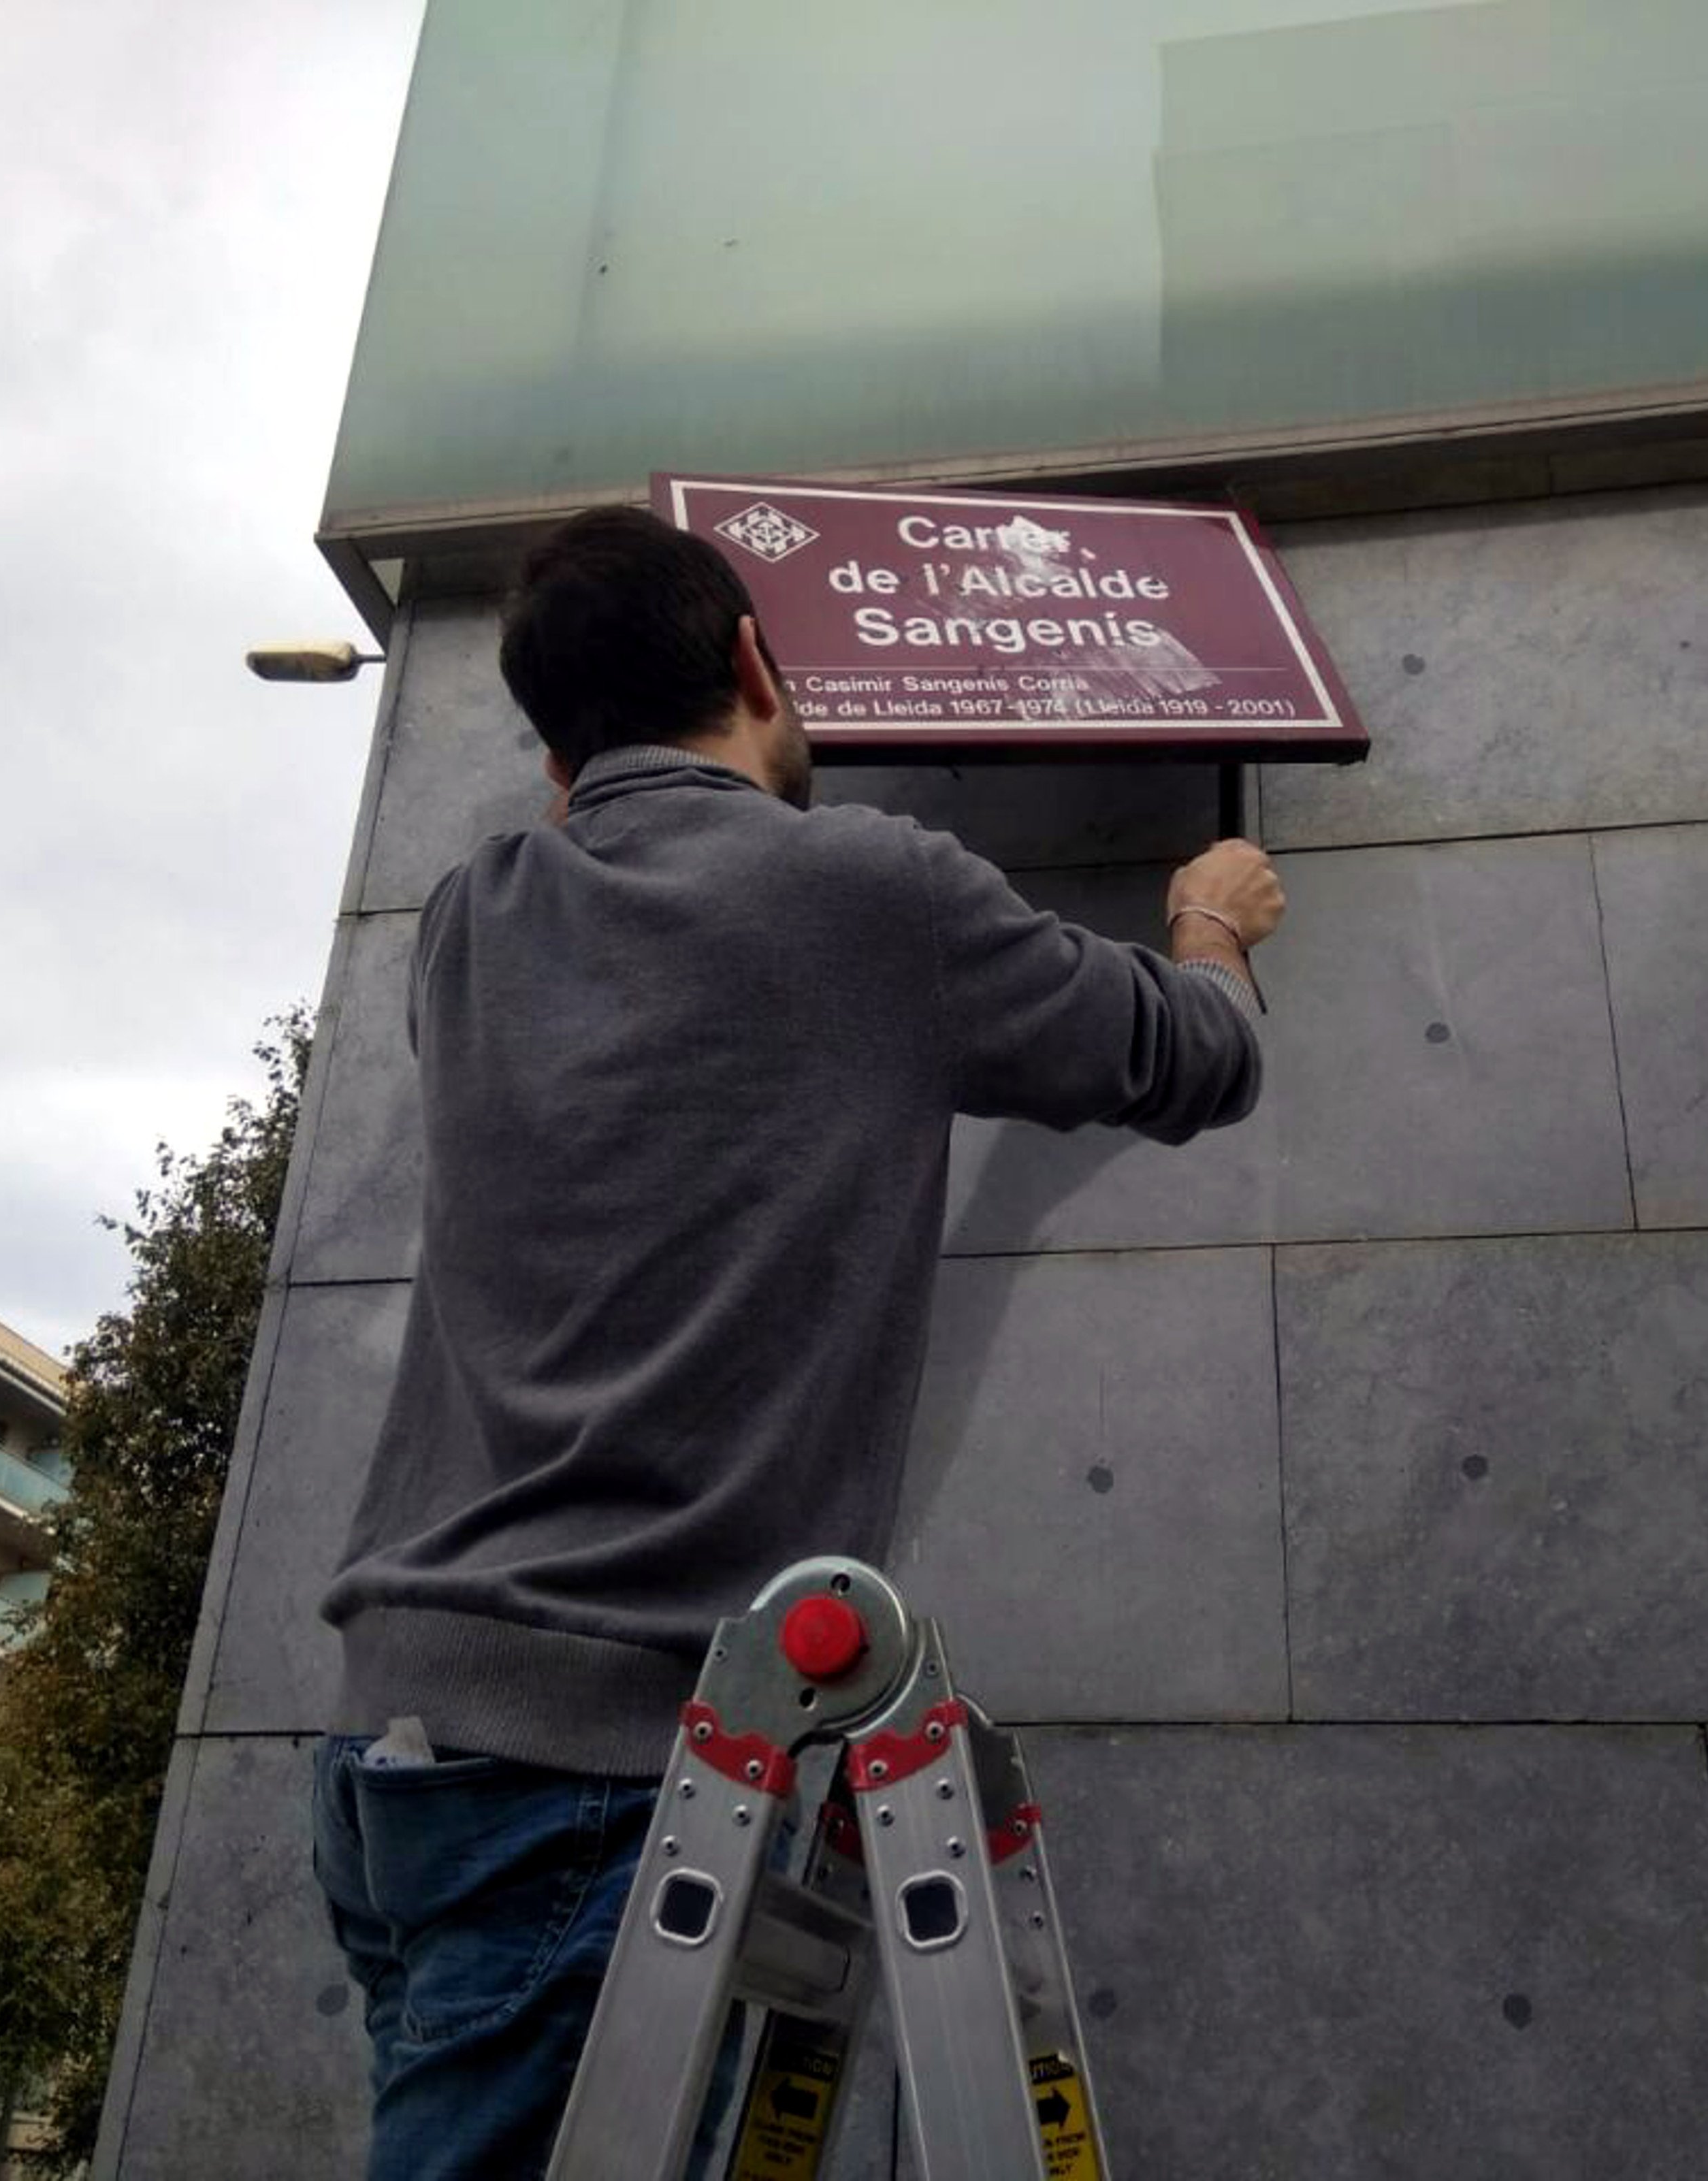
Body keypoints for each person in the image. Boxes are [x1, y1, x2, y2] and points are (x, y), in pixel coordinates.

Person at [307, 506, 1283, 2178]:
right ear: (756, 661)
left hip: (394, 1749)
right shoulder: (866, 892)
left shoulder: (468, 923)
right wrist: (1212, 923)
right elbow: (1194, 1059)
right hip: (601, 1773)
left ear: (556, 756)